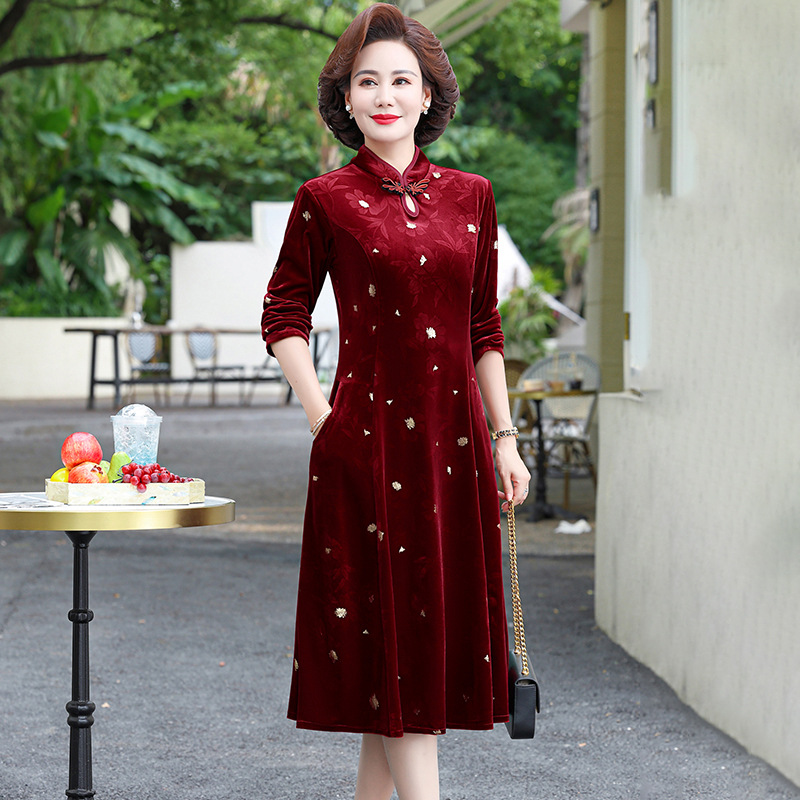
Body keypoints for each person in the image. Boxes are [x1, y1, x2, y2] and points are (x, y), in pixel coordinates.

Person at [261, 4, 531, 798]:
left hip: (454, 448)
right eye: (368, 81)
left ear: (428, 95)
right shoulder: (325, 198)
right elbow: (284, 314)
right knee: (392, 652)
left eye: (401, 81)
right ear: (347, 99)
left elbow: (483, 326)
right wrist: (323, 416)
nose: (385, 95)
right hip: (365, 446)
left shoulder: (473, 197)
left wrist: (505, 437)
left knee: (406, 662)